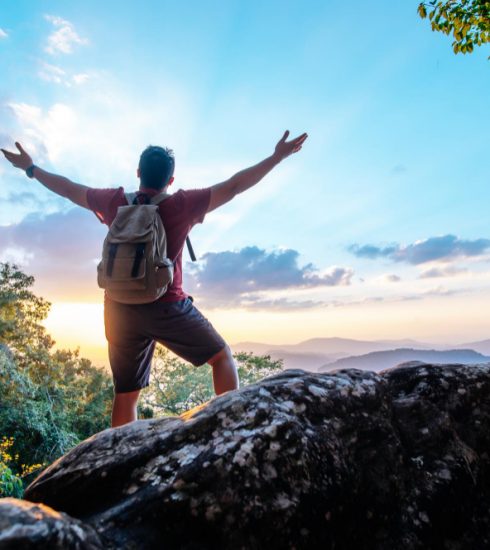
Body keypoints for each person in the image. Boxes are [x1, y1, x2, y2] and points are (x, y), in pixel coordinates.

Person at [1, 130, 308, 427]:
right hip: (168, 306)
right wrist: (276, 157)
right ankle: (231, 430)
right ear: (170, 180)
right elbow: (234, 186)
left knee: (126, 395)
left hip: (119, 309)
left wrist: (30, 168)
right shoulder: (181, 204)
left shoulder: (115, 201)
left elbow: (68, 188)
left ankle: (117, 461)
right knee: (222, 357)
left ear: (138, 172)